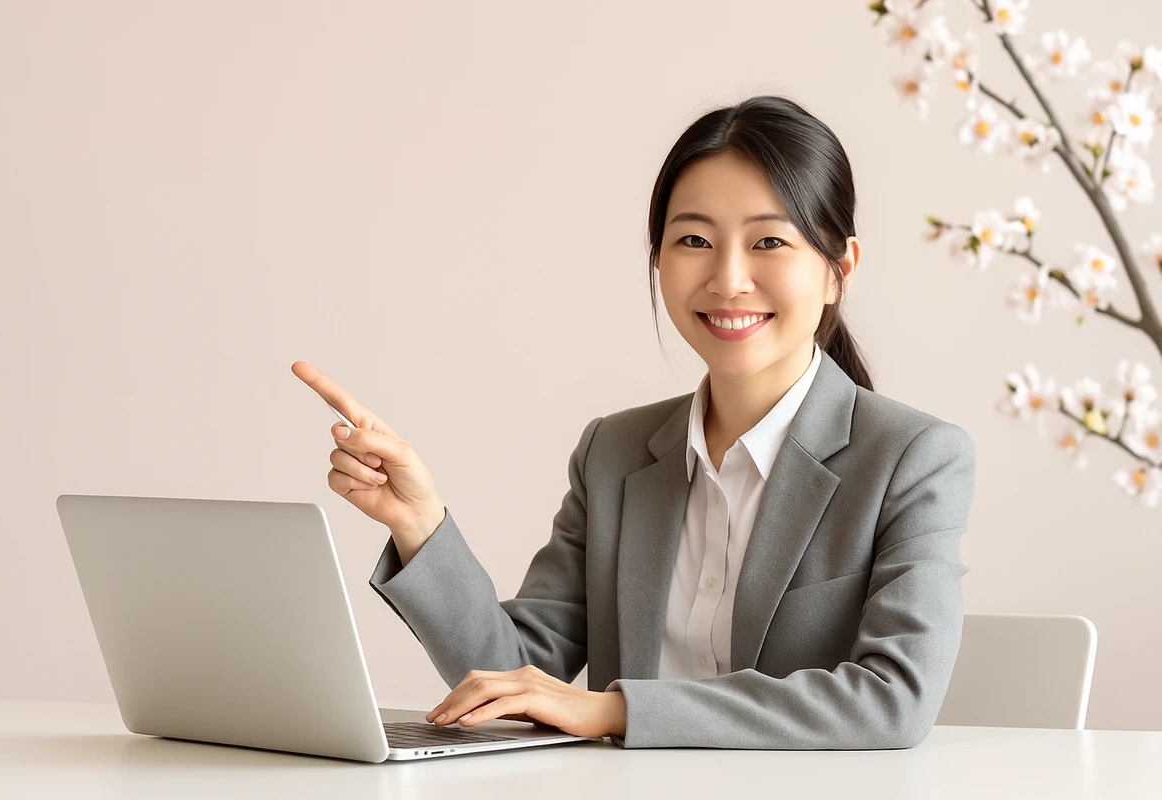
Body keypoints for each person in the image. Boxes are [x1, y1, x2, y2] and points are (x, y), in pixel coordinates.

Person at [291, 94, 977, 750]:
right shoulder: (613, 452)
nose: (729, 278)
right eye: (694, 240)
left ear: (838, 270)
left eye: (769, 241)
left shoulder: (914, 458)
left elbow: (894, 697)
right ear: (658, 262)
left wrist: (615, 710)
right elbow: (516, 673)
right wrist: (420, 524)